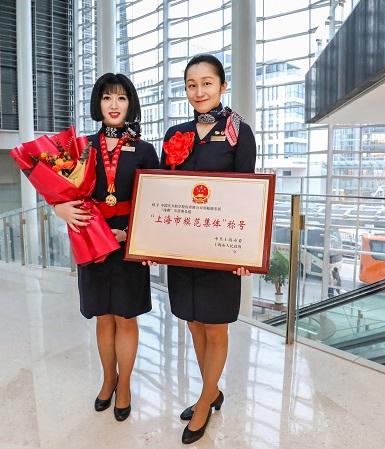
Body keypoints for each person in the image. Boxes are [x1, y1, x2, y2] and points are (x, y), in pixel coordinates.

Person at [159, 54, 256, 444]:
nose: (199, 91)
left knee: (215, 326)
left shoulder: (238, 132)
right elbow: (163, 192)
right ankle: (211, 391)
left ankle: (204, 403)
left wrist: (245, 252)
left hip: (220, 247)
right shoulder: (175, 134)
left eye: (207, 83)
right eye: (191, 84)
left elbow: (248, 195)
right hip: (183, 247)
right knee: (193, 322)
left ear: (222, 86)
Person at [53, 73, 159, 422]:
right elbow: (61, 188)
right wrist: (58, 208)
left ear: (131, 104)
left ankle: (124, 385)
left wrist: (130, 235)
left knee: (126, 317)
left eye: (121, 98)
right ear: (97, 104)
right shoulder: (81, 147)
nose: (114, 105)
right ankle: (107, 379)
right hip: (92, 242)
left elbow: (156, 202)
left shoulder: (144, 150)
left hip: (129, 244)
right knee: (103, 317)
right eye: (107, 98)